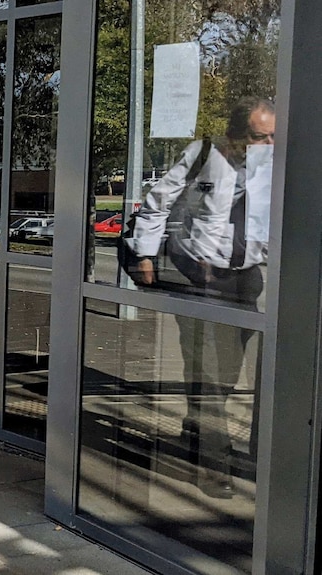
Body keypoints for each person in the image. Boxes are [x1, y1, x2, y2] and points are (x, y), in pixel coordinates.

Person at [130, 96, 275, 498]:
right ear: (235, 134)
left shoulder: (273, 164)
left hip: (247, 278)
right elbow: (158, 201)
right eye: (257, 138)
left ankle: (195, 430)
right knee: (209, 372)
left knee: (227, 374)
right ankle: (214, 465)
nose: (265, 146)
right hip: (199, 275)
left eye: (271, 138)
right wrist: (144, 253)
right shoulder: (203, 154)